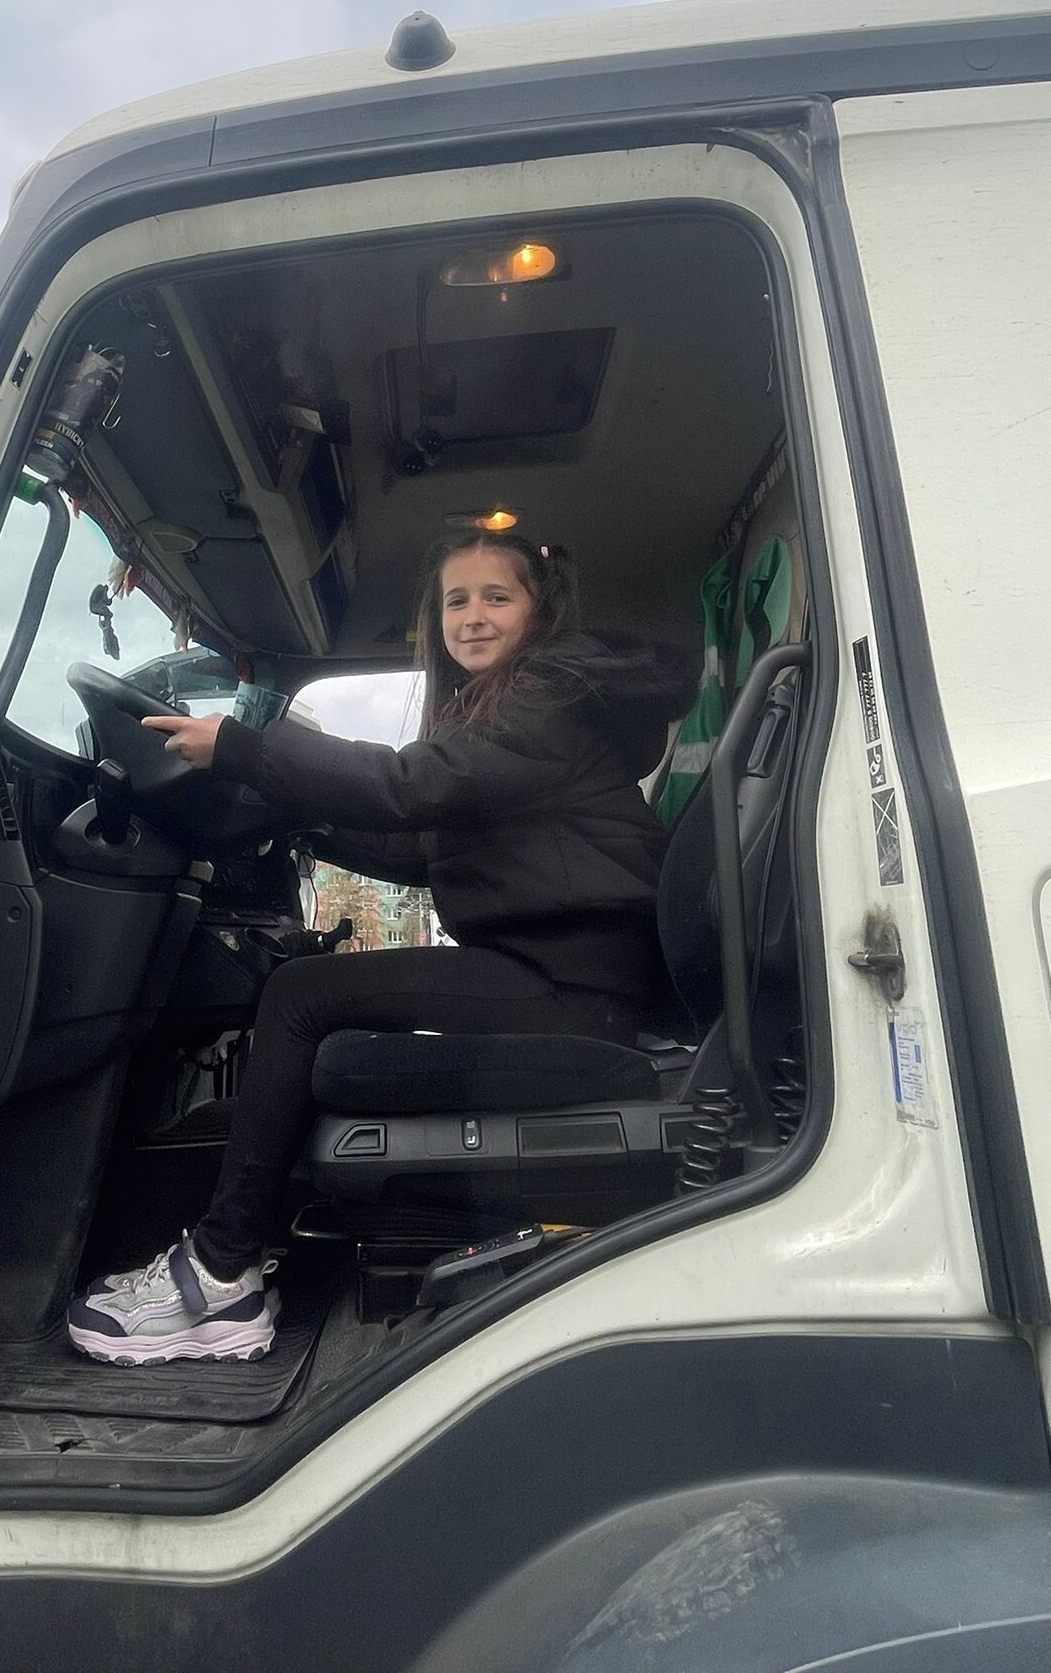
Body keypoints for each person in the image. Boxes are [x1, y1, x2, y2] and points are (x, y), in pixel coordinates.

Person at [64, 532, 695, 1364]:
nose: (473, 617)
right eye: (456, 601)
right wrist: (297, 820)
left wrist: (245, 750)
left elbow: (407, 787)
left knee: (302, 995)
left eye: (497, 597)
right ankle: (238, 1250)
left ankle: (220, 1275)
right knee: (308, 991)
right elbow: (416, 842)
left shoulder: (544, 694)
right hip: (566, 972)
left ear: (536, 610)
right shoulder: (517, 706)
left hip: (574, 987)